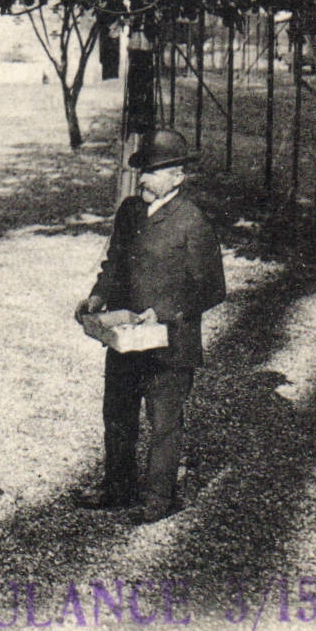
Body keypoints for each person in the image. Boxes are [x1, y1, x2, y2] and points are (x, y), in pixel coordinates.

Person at [74, 128, 226, 524]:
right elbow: (113, 264)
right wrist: (97, 297)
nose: (143, 177)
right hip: (126, 339)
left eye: (154, 171)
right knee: (118, 415)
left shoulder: (193, 223)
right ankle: (118, 488)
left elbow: (212, 289)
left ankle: (159, 500)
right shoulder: (129, 212)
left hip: (169, 345)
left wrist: (165, 311)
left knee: (163, 424)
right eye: (142, 169)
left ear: (178, 177)